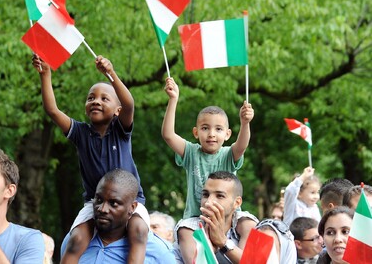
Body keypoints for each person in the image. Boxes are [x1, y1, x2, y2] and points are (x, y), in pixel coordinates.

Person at [33, 55, 148, 264]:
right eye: (91, 98)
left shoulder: (120, 130)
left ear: (117, 110)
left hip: (130, 202)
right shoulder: (80, 133)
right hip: (95, 204)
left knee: (138, 231)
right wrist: (46, 74)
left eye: (105, 99)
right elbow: (52, 110)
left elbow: (129, 104)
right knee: (76, 240)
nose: (96, 101)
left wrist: (110, 74)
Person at [162, 77, 254, 263]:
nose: (211, 133)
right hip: (197, 217)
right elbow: (168, 135)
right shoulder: (190, 152)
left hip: (229, 216)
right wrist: (173, 100)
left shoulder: (228, 155)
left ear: (227, 134)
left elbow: (242, 145)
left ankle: (248, 258)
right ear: (196, 133)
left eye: (218, 129)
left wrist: (245, 123)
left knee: (249, 223)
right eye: (205, 128)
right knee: (187, 233)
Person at [60, 169, 175, 263]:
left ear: (132, 207)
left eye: (113, 203)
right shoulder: (73, 241)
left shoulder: (159, 253)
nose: (102, 209)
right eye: (99, 200)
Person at [174, 171, 258, 263]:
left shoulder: (247, 223)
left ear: (237, 203)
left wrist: (223, 242)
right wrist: (209, 249)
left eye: (220, 196)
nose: (208, 202)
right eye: (205, 194)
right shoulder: (188, 229)